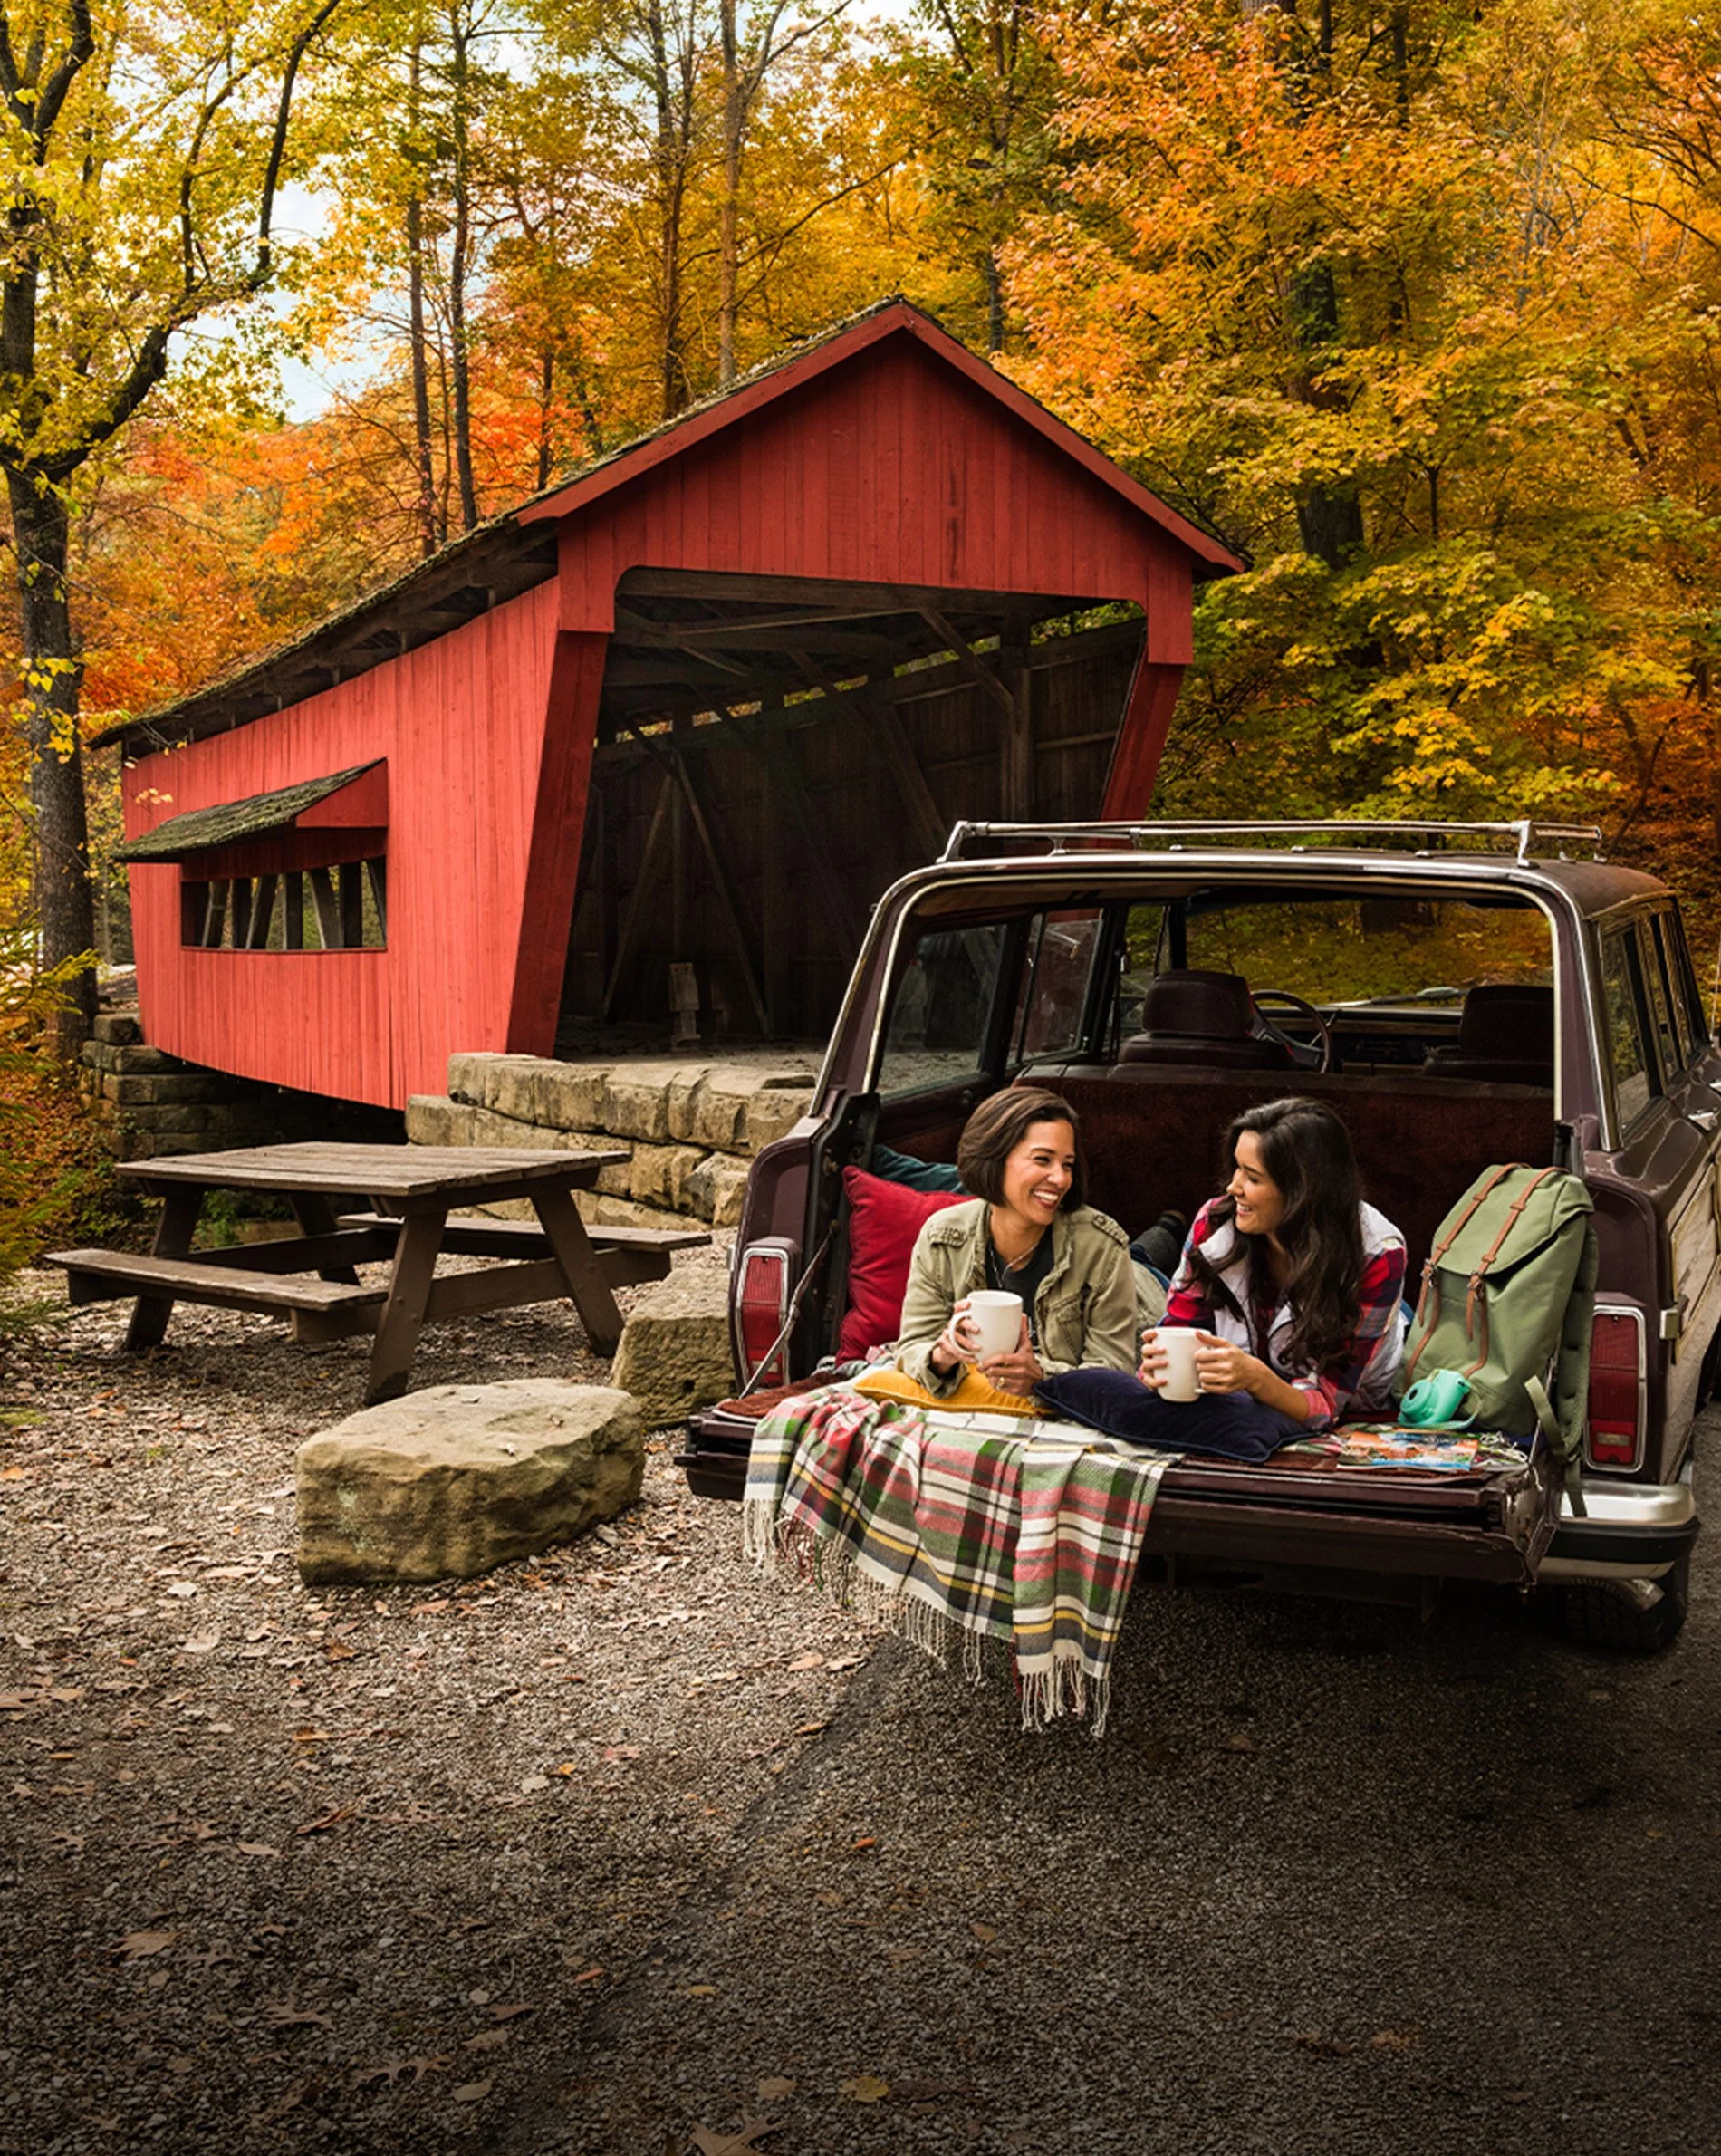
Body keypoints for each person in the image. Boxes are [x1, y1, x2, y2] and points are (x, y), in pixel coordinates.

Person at [1137, 1096, 1407, 1440]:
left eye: (1252, 1177)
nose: (1233, 1187)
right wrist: (1159, 1365)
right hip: (1251, 1374)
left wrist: (1255, 1378)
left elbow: (1327, 1406)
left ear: (1301, 1192)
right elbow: (1179, 1325)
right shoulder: (1216, 1223)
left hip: (1354, 1390)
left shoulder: (1378, 1256)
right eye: (1236, 1168)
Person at [894, 1087, 1149, 1397]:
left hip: (1144, 1289)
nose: (1060, 1178)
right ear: (995, 1160)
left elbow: (1113, 1372)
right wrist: (943, 1353)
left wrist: (1043, 1377)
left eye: (1067, 1164)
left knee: (1148, 1254)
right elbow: (912, 1346)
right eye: (1043, 1160)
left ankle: (1169, 1227)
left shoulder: (1104, 1245)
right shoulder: (942, 1238)